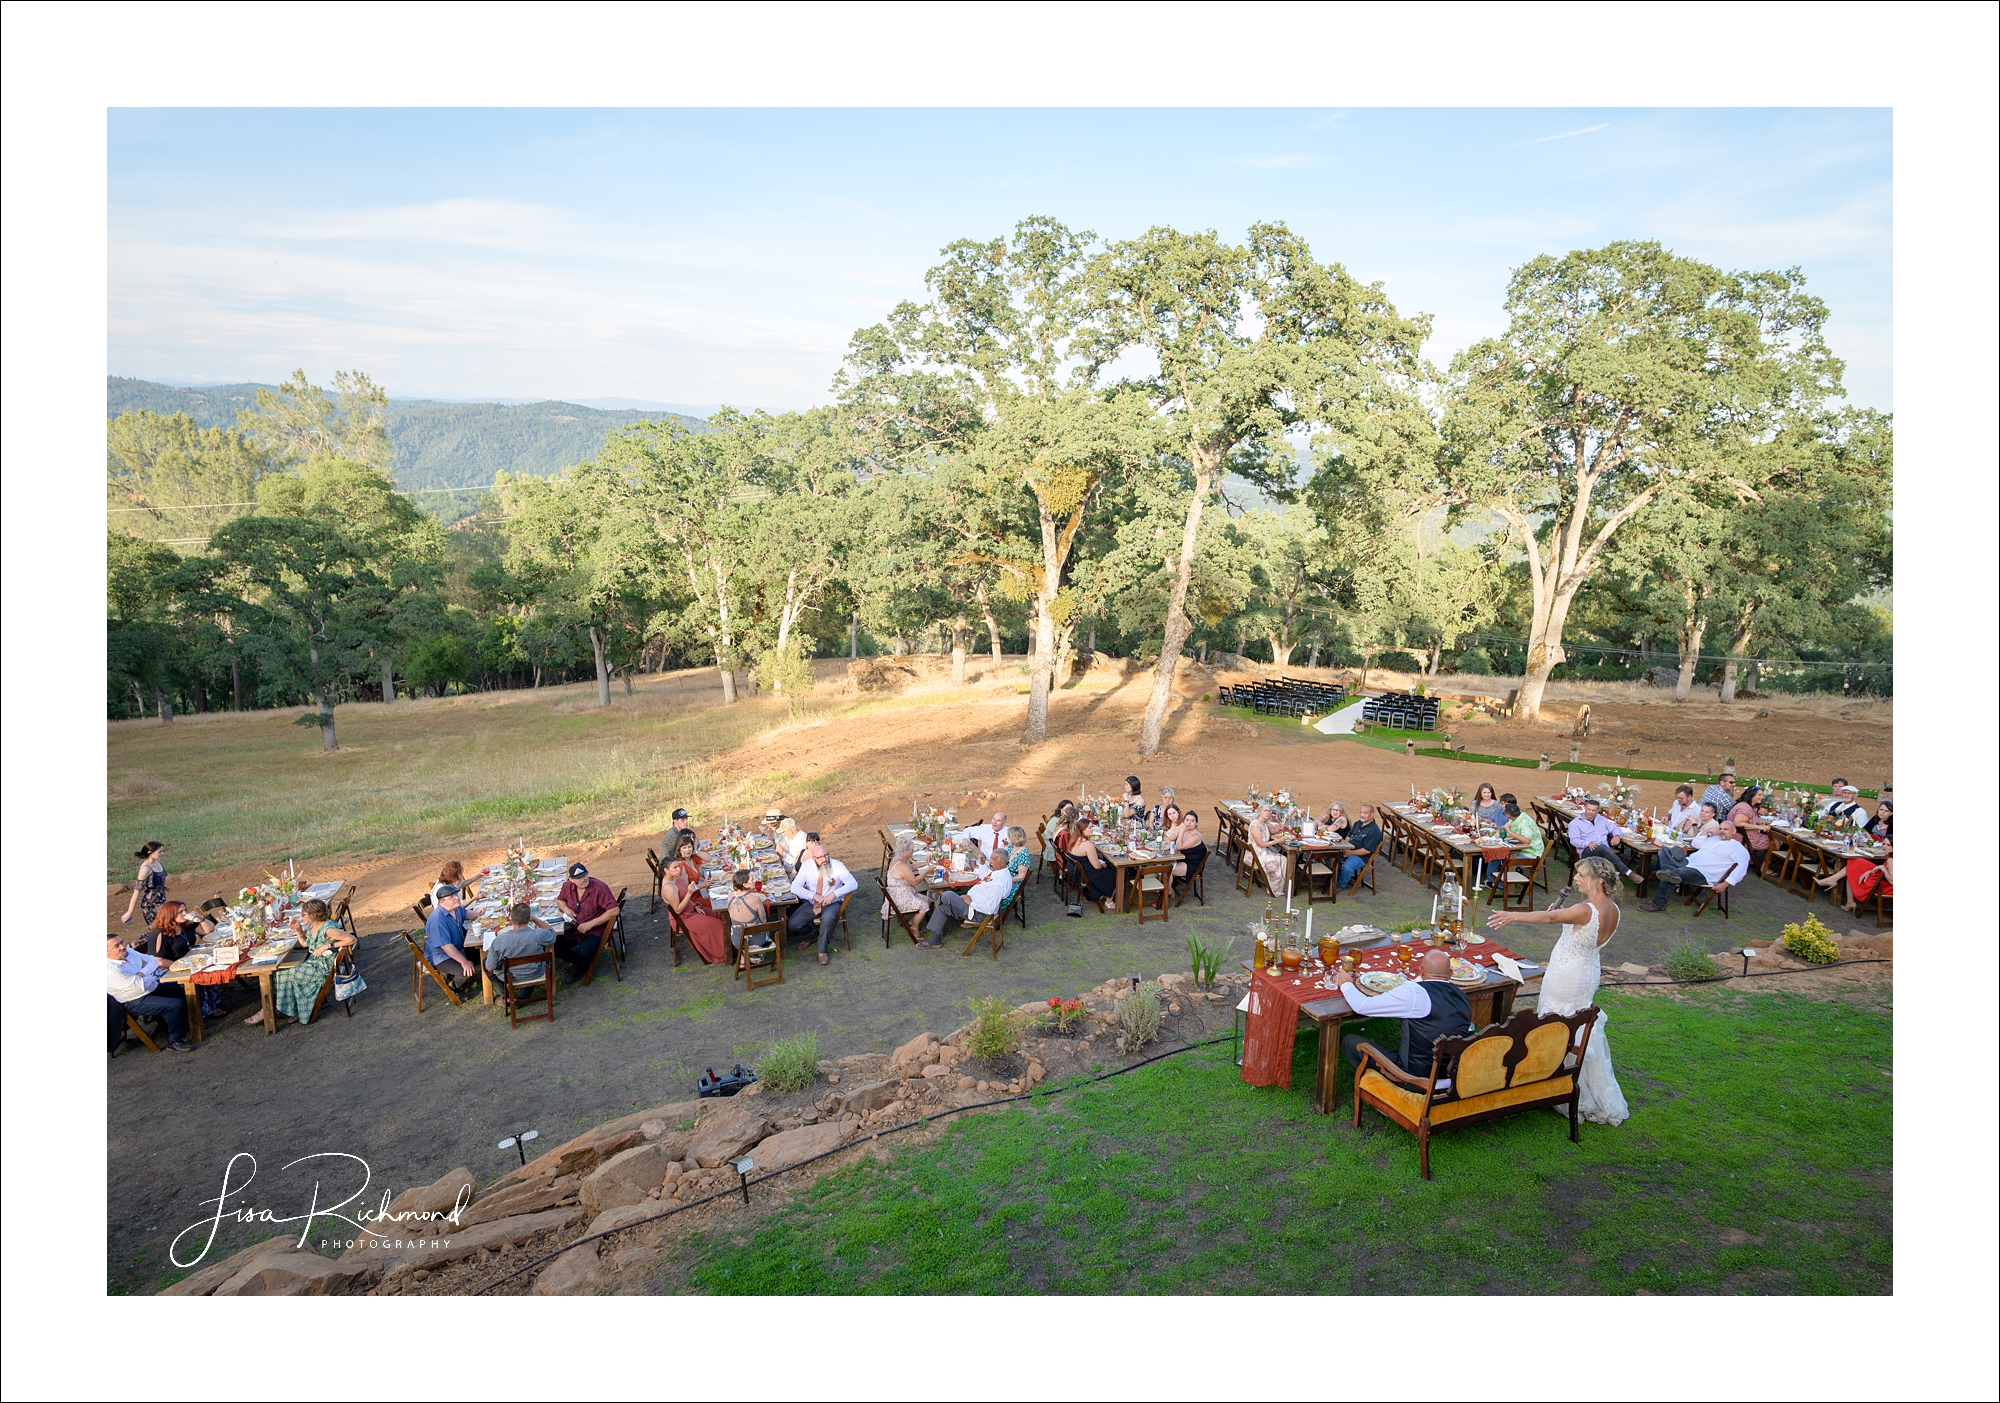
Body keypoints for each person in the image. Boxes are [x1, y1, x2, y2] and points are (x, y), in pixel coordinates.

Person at [1485, 855, 1631, 1126]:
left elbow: (1552, 917)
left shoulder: (1586, 909)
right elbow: (1573, 926)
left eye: (1581, 875)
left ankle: (1552, 1081)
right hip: (1588, 972)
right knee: (1576, 1022)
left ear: (1598, 881)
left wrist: (1513, 915)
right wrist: (1564, 917)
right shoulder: (1613, 908)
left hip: (1568, 973)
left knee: (1556, 1021)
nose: (1575, 879)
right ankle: (1570, 1080)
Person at [1335, 948, 1473, 1081]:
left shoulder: (1414, 993)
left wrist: (1346, 984)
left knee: (1350, 1041)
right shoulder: (1463, 997)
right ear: (1450, 973)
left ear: (1421, 970)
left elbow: (1361, 1006)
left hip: (1413, 1078)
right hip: (1450, 1076)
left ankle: (1378, 1091)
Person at [258, 898, 352, 1028]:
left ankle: (272, 1011)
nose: (301, 917)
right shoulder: (314, 926)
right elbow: (304, 944)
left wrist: (327, 946)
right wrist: (299, 930)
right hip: (313, 963)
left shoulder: (328, 929)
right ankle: (287, 1009)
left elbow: (350, 939)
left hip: (322, 968)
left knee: (280, 975)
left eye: (303, 914)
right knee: (280, 974)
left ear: (313, 915)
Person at [107, 935, 196, 1052]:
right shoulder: (110, 971)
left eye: (122, 942)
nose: (123, 947)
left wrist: (142, 974)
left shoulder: (128, 952)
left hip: (151, 987)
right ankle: (175, 1041)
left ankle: (187, 1024)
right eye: (116, 946)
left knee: (183, 989)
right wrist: (150, 975)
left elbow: (153, 960)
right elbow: (141, 987)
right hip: (134, 1001)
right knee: (175, 1005)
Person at [1641, 821, 1751, 911]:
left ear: (1734, 831)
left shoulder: (1738, 849)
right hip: (1689, 862)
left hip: (1702, 873)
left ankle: (1658, 904)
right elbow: (1695, 844)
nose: (1722, 831)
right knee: (1663, 851)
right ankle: (1670, 872)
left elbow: (1741, 870)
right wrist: (1706, 832)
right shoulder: (1714, 839)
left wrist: (1725, 884)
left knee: (1671, 874)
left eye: (1725, 829)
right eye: (1721, 828)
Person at [662, 832, 728, 963]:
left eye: (689, 847)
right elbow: (678, 910)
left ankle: (732, 946)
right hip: (684, 918)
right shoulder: (669, 886)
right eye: (675, 868)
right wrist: (690, 894)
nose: (678, 870)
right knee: (719, 925)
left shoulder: (674, 878)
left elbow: (708, 859)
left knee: (721, 915)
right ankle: (725, 953)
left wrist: (695, 906)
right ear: (666, 870)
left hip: (692, 908)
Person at [925, 848, 1013, 946]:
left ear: (1002, 863)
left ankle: (939, 898)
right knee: (944, 906)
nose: (990, 861)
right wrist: (983, 863)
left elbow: (990, 909)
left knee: (948, 895)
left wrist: (970, 902)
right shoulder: (1000, 872)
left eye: (994, 859)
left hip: (978, 913)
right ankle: (935, 939)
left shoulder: (998, 883)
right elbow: (985, 877)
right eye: (991, 858)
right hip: (973, 904)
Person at [788, 841, 857, 964]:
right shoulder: (807, 866)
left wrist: (834, 894)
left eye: (826, 855)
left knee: (828, 919)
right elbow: (795, 887)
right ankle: (811, 935)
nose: (824, 859)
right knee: (793, 924)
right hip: (812, 903)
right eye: (820, 857)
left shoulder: (837, 866)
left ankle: (822, 951)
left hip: (832, 903)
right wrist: (813, 896)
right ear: (814, 858)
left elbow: (853, 883)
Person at [554, 863, 616, 981]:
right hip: (576, 928)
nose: (583, 880)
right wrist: (567, 910)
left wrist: (590, 924)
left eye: (584, 876)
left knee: (582, 953)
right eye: (579, 878)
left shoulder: (599, 888)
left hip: (596, 930)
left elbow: (614, 910)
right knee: (555, 946)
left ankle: (580, 969)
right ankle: (581, 962)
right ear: (571, 880)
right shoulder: (567, 886)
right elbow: (560, 900)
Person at [1567, 798, 1640, 885]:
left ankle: (1612, 882)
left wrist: (1617, 836)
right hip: (1587, 851)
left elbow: (1615, 828)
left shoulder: (1602, 819)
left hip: (1604, 851)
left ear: (1597, 810)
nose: (1590, 812)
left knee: (1605, 852)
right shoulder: (1575, 823)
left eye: (1593, 810)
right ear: (1585, 808)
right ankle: (1628, 872)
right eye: (1589, 809)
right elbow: (1574, 840)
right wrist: (1587, 843)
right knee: (1603, 848)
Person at [482, 901, 557, 986]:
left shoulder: (499, 941)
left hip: (509, 976)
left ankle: (503, 993)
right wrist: (536, 919)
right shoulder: (539, 935)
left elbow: (490, 967)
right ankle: (523, 995)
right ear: (529, 918)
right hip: (535, 973)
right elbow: (553, 933)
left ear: (511, 918)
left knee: (486, 962)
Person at [422, 884, 480, 992]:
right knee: (464, 971)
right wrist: (464, 961)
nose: (457, 898)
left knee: (482, 953)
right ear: (442, 902)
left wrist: (479, 912)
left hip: (458, 947)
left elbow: (466, 914)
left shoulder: (455, 908)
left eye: (456, 895)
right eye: (452, 897)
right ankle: (454, 987)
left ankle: (458, 976)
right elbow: (446, 946)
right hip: (442, 956)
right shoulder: (437, 920)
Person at [1820, 838, 1892, 912]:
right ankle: (1849, 901)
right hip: (1881, 878)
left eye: (1888, 845)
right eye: (1883, 844)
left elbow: (1892, 880)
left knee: (1854, 866)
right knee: (1854, 865)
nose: (1884, 847)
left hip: (1884, 886)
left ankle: (1833, 880)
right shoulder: (1890, 858)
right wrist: (1870, 871)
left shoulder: (1890, 860)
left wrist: (1882, 867)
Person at [1066, 815, 1119, 912]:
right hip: (1086, 875)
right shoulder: (1088, 845)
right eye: (1090, 827)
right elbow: (1097, 866)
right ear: (1082, 830)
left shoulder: (1073, 839)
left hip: (1075, 873)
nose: (1092, 829)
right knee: (1114, 874)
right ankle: (1109, 902)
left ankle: (1104, 891)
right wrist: (1103, 865)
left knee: (1107, 867)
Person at [881, 834, 932, 934]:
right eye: (911, 851)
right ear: (904, 852)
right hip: (899, 897)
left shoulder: (899, 859)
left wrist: (923, 864)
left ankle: (913, 922)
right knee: (924, 905)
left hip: (902, 892)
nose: (912, 853)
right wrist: (926, 871)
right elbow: (914, 881)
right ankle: (914, 928)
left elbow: (910, 868)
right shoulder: (901, 865)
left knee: (927, 900)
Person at [725, 870, 774, 959]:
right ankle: (759, 954)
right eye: (752, 879)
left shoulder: (730, 897)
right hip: (756, 941)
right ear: (745, 885)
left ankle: (744, 956)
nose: (754, 880)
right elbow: (763, 920)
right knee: (768, 930)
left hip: (737, 940)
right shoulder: (755, 899)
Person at [120, 840, 168, 928]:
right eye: (160, 851)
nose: (162, 853)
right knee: (157, 929)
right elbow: (136, 891)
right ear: (150, 852)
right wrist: (130, 912)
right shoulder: (145, 869)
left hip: (161, 900)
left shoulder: (157, 862)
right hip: (150, 905)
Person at [1338, 804, 1382, 890]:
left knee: (1347, 867)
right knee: (1329, 857)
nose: (1362, 815)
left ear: (1372, 814)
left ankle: (1340, 885)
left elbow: (1367, 850)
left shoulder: (1374, 831)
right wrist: (1345, 847)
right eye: (1361, 812)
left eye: (1365, 813)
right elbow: (1348, 836)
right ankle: (1335, 879)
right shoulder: (1358, 823)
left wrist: (1350, 853)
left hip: (1361, 856)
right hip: (1349, 850)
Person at [1248, 805, 1288, 893]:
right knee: (1283, 859)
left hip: (1263, 852)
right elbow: (1260, 844)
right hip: (1256, 855)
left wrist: (1280, 825)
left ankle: (1277, 886)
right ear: (1259, 812)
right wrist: (1277, 841)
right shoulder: (1255, 825)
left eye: (1269, 811)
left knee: (1283, 859)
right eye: (1265, 810)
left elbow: (1273, 831)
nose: (1268, 813)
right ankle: (1274, 889)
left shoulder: (1266, 822)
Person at [1170, 810, 1207, 896]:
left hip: (1192, 865)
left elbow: (1179, 847)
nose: (1189, 823)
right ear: (1183, 821)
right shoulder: (1184, 829)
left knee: (1166, 870)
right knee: (1161, 867)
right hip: (1182, 859)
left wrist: (1181, 832)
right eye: (1187, 820)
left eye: (1192, 821)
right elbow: (1169, 838)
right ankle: (1168, 890)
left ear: (1196, 824)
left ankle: (1168, 892)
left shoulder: (1195, 837)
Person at [1728, 785, 1771, 858]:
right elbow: (1738, 823)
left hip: (1741, 836)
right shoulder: (1745, 808)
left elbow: (1747, 818)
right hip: (1744, 839)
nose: (1762, 797)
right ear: (1751, 795)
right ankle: (1764, 867)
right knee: (1775, 842)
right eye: (1759, 795)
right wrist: (1758, 826)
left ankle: (1751, 859)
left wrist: (1757, 820)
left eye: (1762, 795)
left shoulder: (1746, 805)